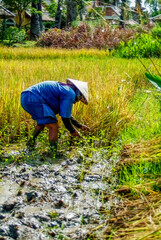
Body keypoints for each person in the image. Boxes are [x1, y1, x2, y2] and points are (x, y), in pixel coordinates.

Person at [21, 78, 90, 156]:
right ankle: (53, 153)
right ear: (78, 93)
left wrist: (80, 126)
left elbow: (66, 114)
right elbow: (65, 118)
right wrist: (73, 131)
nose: (75, 102)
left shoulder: (64, 89)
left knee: (42, 123)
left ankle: (30, 144)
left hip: (27, 97)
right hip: (33, 98)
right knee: (53, 126)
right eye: (79, 99)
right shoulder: (70, 93)